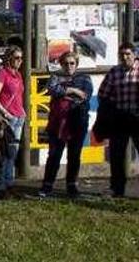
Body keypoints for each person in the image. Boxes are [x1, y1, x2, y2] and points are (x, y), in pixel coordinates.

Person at [39, 53, 93, 199]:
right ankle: (47, 184)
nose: (69, 66)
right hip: (58, 122)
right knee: (54, 155)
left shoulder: (84, 78)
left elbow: (85, 95)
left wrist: (63, 93)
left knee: (74, 155)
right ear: (61, 64)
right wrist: (73, 91)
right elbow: (51, 89)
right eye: (66, 63)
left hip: (77, 121)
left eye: (72, 63)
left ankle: (71, 185)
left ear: (76, 64)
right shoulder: (55, 76)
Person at [96, 42, 139, 198]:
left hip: (137, 118)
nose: (125, 57)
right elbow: (103, 94)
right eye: (122, 54)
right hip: (120, 117)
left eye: (128, 54)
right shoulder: (114, 72)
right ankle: (117, 189)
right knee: (116, 155)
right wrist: (111, 108)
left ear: (134, 54)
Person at [0, 46, 26, 199]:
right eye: (17, 58)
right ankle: (1, 187)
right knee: (3, 153)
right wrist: (5, 112)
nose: (20, 61)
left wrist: (22, 112)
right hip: (7, 119)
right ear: (9, 58)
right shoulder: (2, 74)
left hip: (19, 117)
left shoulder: (18, 75)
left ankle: (9, 184)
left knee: (12, 154)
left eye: (21, 58)